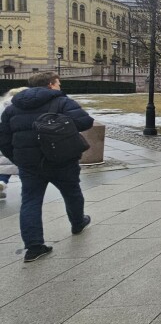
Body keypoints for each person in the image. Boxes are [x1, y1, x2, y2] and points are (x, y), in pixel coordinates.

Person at [0, 72, 94, 262]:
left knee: (30, 201)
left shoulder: (14, 106)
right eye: (58, 83)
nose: (59, 86)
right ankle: (77, 223)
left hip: (29, 164)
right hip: (62, 158)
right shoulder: (62, 102)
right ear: (51, 85)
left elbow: (4, 139)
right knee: (72, 192)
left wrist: (19, 159)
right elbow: (85, 121)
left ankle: (34, 247)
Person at [0, 87, 27, 199]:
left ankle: (2, 182)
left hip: (3, 140)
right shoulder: (24, 105)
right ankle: (27, 188)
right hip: (22, 140)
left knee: (4, 164)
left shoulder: (2, 105)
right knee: (25, 166)